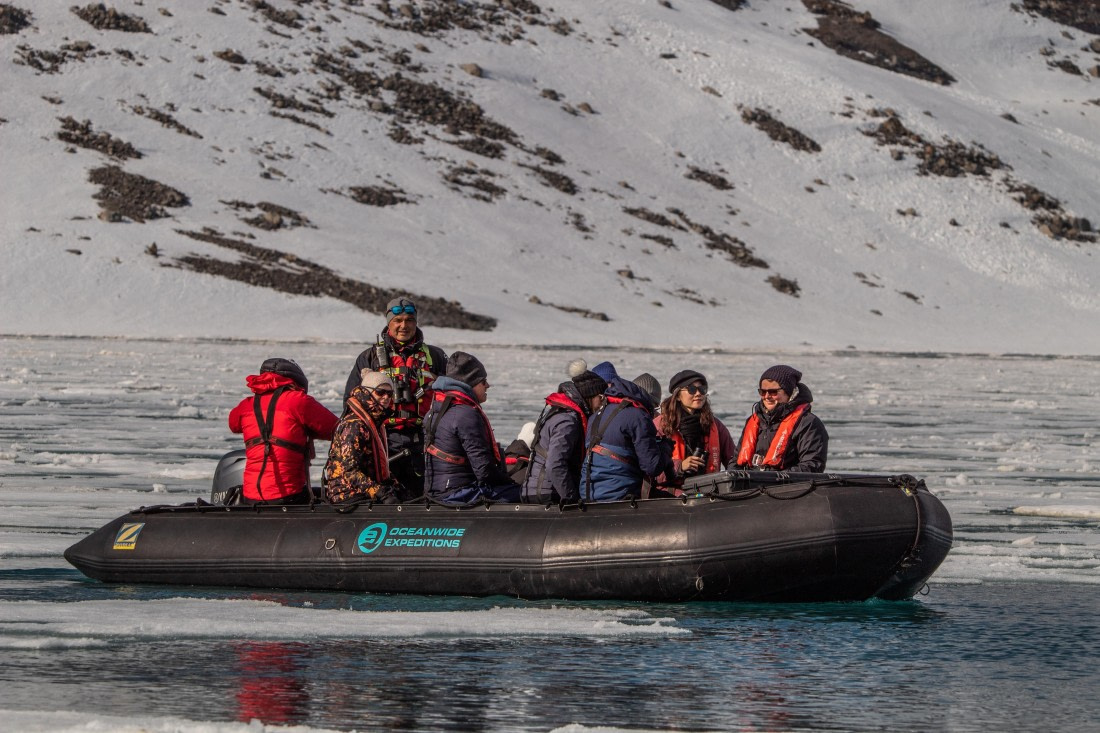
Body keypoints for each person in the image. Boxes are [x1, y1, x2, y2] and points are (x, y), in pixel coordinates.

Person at [342, 297, 447, 496]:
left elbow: (452, 397)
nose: (403, 326)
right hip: (383, 437)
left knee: (423, 492)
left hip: (423, 438)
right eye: (398, 320)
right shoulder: (369, 357)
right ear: (389, 322)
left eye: (409, 320)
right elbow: (351, 402)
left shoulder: (435, 356)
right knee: (386, 491)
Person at [228, 358, 338, 505]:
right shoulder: (298, 401)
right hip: (289, 495)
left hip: (251, 496)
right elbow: (338, 429)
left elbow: (233, 424)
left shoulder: (246, 405)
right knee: (328, 497)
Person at [422, 351, 520, 505]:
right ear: (470, 383)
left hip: (438, 490)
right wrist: (508, 482)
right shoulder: (465, 414)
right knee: (525, 493)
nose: (488, 385)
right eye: (483, 381)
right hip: (459, 493)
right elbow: (484, 470)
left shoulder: (436, 409)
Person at [579, 376, 675, 502]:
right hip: (620, 494)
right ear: (649, 402)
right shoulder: (638, 416)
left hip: (588, 494)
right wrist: (665, 449)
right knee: (673, 502)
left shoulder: (595, 416)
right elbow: (652, 467)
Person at [522, 368, 608, 504]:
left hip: (543, 489)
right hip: (546, 493)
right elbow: (555, 464)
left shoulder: (563, 413)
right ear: (590, 396)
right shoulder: (567, 421)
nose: (603, 404)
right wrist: (571, 498)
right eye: (601, 398)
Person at [323, 371, 408, 504]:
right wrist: (380, 492)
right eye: (380, 392)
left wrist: (397, 487)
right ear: (367, 393)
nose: (386, 397)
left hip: (365, 490)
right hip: (346, 493)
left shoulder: (375, 422)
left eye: (389, 393)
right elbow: (349, 472)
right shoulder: (355, 425)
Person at [734, 365, 829, 472]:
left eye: (773, 392)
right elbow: (735, 462)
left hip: (787, 482)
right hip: (751, 481)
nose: (767, 396)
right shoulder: (753, 420)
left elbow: (812, 465)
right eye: (762, 392)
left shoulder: (808, 423)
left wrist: (775, 478)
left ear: (789, 392)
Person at [654, 370, 736, 491]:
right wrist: (680, 466)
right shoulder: (660, 425)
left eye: (702, 389)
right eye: (691, 389)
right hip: (670, 492)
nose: (698, 393)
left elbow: (733, 460)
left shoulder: (715, 426)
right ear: (677, 396)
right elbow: (649, 468)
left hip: (708, 491)